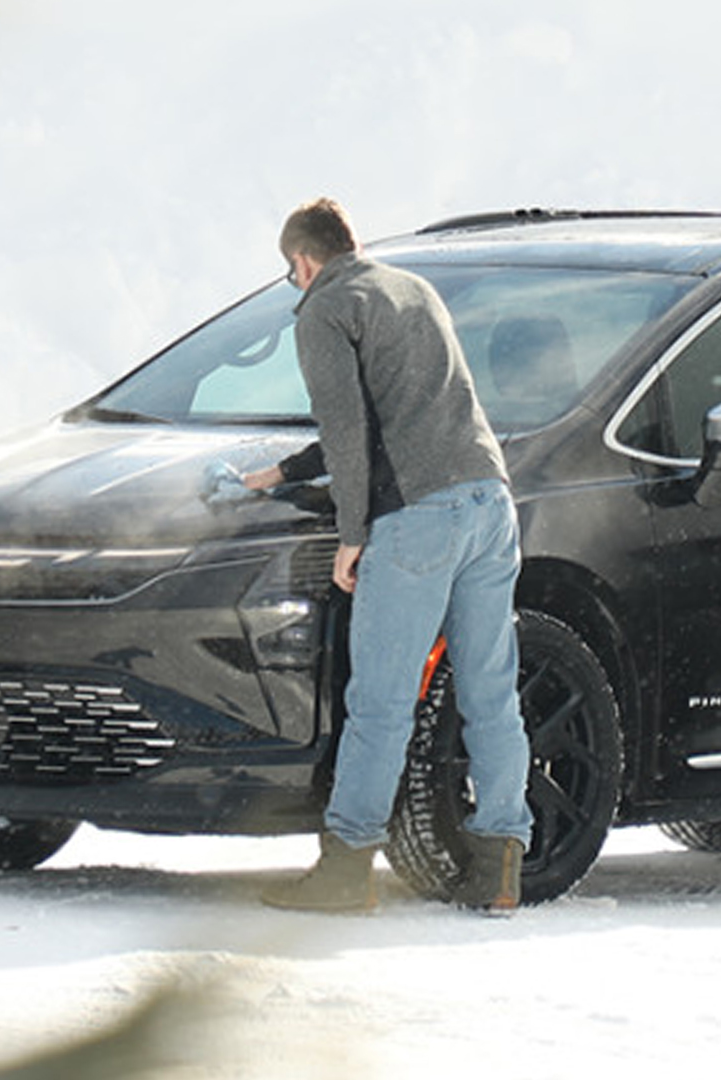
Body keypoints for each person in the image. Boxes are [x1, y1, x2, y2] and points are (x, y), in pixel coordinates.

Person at [251, 198, 533, 913]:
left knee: (380, 702)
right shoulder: (413, 290)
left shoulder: (323, 309)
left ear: (303, 262)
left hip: (418, 519)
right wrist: (285, 471)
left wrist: (352, 534)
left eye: (293, 275)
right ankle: (502, 862)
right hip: (488, 502)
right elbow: (406, 409)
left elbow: (348, 430)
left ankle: (346, 871)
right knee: (490, 691)